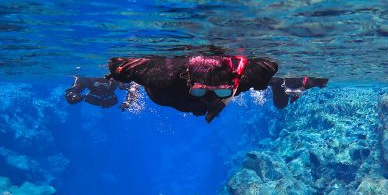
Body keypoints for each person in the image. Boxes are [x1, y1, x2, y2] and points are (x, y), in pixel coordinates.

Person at [65, 55, 328, 122]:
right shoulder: (163, 82)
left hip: (219, 77)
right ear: (190, 85)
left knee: (260, 83)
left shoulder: (238, 82)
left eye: (220, 92)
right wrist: (118, 72)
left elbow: (269, 66)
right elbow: (119, 65)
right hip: (174, 89)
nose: (210, 98)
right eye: (202, 91)